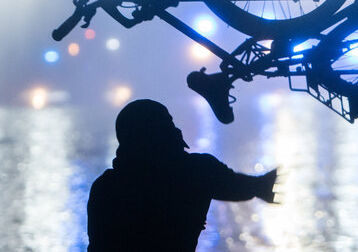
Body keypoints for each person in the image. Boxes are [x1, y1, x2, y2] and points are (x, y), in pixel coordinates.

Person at [87, 99, 277, 251]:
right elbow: (240, 188)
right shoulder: (197, 171)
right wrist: (266, 185)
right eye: (169, 123)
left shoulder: (104, 187)